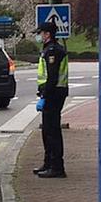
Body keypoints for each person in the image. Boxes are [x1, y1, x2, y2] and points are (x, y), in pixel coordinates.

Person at [33, 21, 69, 178]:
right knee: (47, 130)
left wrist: (45, 95)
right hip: (53, 93)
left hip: (54, 94)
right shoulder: (50, 49)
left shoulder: (53, 51)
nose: (39, 36)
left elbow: (52, 77)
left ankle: (56, 167)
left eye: (41, 33)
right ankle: (48, 163)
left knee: (52, 131)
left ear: (47, 34)